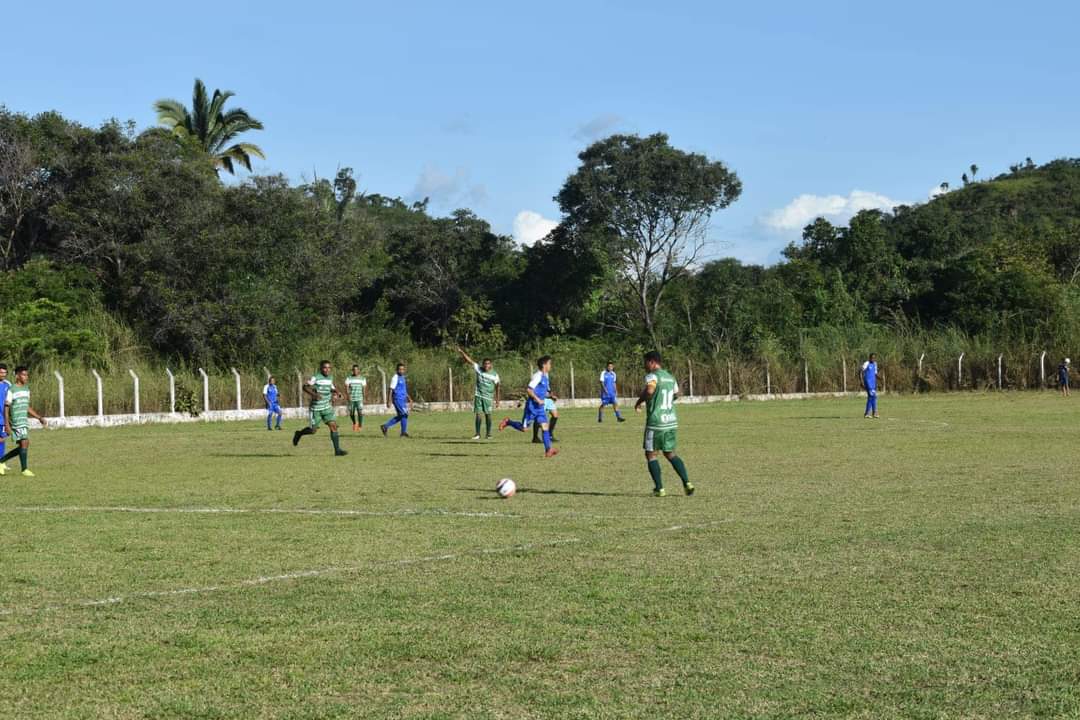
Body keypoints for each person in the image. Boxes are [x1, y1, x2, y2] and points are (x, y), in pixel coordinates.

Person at [634, 351, 692, 497]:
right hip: (670, 421)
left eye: (645, 362)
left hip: (656, 422)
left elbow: (650, 390)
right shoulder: (670, 377)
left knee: (651, 454)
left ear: (652, 362)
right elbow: (677, 393)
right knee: (670, 453)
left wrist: (640, 401)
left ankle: (659, 489)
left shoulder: (652, 376)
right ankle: (687, 483)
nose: (644, 365)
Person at [500, 355, 559, 457]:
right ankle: (508, 422)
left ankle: (548, 450)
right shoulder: (538, 376)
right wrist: (537, 399)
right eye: (549, 363)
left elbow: (540, 391)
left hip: (540, 408)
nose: (551, 366)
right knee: (524, 429)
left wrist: (550, 396)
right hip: (532, 407)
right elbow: (529, 390)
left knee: (545, 426)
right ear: (544, 365)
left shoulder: (545, 377)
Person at [0, 366, 47, 477]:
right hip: (16, 420)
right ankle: (24, 469)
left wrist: (39, 417)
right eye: (24, 375)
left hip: (23, 420)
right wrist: (7, 423)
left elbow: (27, 407)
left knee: (24, 444)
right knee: (24, 442)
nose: (26, 377)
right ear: (17, 376)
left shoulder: (26, 389)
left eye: (27, 375)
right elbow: (6, 407)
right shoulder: (12, 389)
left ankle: (1, 461)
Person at [292, 360, 347, 456]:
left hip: (326, 407)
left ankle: (337, 450)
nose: (327, 370)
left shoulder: (330, 378)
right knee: (313, 430)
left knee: (333, 426)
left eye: (329, 368)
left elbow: (331, 388)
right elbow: (305, 387)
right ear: (321, 368)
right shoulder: (316, 377)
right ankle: (299, 433)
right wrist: (314, 394)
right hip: (316, 408)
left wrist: (337, 392)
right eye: (325, 368)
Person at [457, 347, 500, 440]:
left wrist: (497, 400)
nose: (486, 365)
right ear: (483, 364)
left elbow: (497, 387)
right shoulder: (479, 369)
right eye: (485, 364)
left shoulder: (495, 375)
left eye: (488, 364)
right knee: (478, 414)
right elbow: (470, 361)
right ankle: (477, 434)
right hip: (479, 395)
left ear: (491, 365)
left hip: (488, 398)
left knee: (488, 415)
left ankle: (488, 434)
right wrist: (462, 352)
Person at [381, 362, 412, 438]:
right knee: (404, 414)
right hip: (397, 399)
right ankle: (402, 432)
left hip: (403, 399)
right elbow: (391, 389)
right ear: (397, 370)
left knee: (402, 415)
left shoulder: (403, 377)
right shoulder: (395, 378)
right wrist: (389, 401)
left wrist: (409, 398)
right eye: (400, 369)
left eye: (403, 369)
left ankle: (386, 426)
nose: (401, 371)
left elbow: (403, 389)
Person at [345, 365, 367, 431]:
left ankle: (360, 426)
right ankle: (354, 423)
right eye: (354, 370)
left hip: (359, 398)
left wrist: (364, 397)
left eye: (357, 370)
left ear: (359, 370)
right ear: (352, 370)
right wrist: (348, 396)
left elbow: (364, 389)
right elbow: (347, 388)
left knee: (360, 412)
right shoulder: (349, 378)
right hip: (351, 398)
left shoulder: (362, 378)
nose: (355, 371)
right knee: (351, 413)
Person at [861, 353, 879, 419]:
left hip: (873, 383)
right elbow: (860, 371)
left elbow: (875, 374)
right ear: (869, 358)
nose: (873, 359)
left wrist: (879, 379)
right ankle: (867, 413)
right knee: (871, 396)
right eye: (872, 358)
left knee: (874, 397)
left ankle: (874, 413)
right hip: (867, 382)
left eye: (874, 358)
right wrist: (861, 381)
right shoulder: (866, 363)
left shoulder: (875, 364)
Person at [0, 364, 10, 471]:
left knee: (2, 439)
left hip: (3, 418)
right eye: (1, 372)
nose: (3, 374)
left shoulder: (7, 385)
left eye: (4, 372)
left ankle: (2, 462)